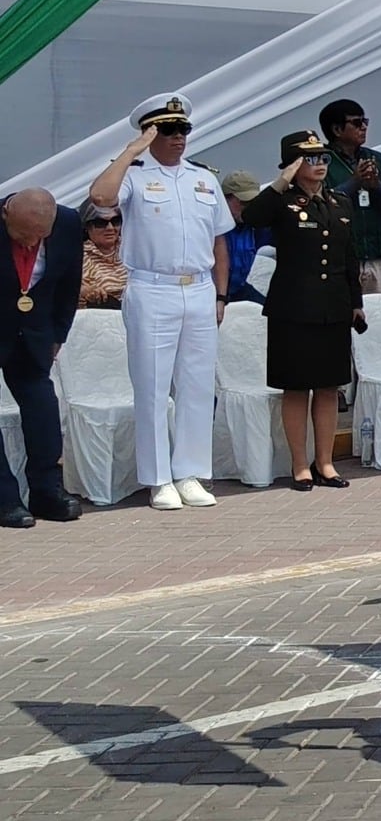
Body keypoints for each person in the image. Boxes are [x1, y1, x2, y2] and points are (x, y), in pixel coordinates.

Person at [86, 94, 235, 512]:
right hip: (153, 287)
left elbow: (219, 241)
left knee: (197, 385)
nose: (178, 137)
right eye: (167, 130)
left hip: (199, 288)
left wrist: (221, 294)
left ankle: (189, 472)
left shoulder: (203, 178)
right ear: (149, 135)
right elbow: (100, 197)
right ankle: (158, 479)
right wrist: (132, 150)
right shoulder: (133, 175)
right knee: (152, 385)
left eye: (183, 129)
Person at [240, 132, 365, 491]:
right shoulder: (281, 202)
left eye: (322, 157)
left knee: (327, 388)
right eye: (309, 159)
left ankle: (324, 462)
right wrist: (282, 180)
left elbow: (349, 256)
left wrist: (356, 302)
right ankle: (299, 464)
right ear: (293, 165)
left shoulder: (339, 202)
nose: (320, 165)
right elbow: (251, 216)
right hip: (293, 308)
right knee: (296, 388)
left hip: (333, 307)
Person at [0, 189, 83, 527]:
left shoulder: (68, 223)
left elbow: (70, 282)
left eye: (40, 236)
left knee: (43, 408)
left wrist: (58, 334)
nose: (32, 243)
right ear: (6, 214)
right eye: (24, 235)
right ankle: (5, 499)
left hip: (33, 331)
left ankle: (47, 492)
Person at [320, 99, 381, 294]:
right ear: (337, 130)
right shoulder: (321, 161)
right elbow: (320, 203)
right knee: (343, 311)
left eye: (365, 121)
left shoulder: (378, 159)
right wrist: (354, 183)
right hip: (339, 259)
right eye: (357, 123)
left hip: (377, 255)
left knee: (377, 311)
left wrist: (376, 185)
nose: (364, 127)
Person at [221, 172, 271, 304]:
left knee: (272, 311)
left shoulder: (257, 226)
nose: (249, 208)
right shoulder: (211, 228)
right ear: (225, 199)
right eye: (244, 202)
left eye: (253, 202)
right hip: (212, 291)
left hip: (240, 289)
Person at [78, 202, 126, 308]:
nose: (110, 227)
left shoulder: (133, 248)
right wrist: (85, 291)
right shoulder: (77, 256)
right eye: (101, 223)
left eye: (115, 221)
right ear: (87, 226)